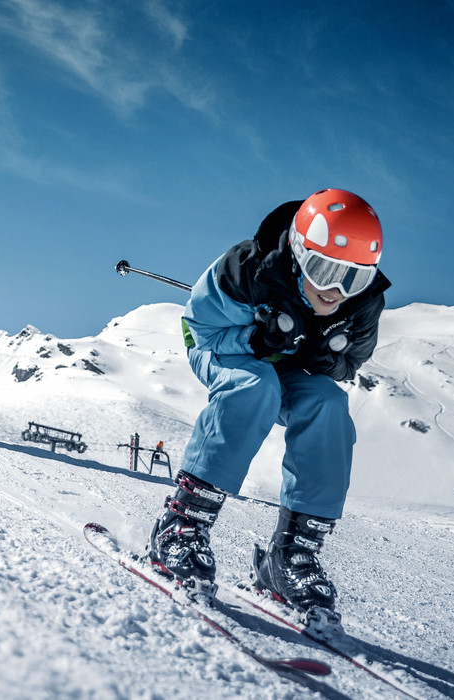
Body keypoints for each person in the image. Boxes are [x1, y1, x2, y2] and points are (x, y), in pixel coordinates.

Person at [146, 189, 390, 629]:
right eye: (324, 271)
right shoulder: (246, 269)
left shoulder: (363, 304)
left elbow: (349, 364)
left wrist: (321, 355)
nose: (335, 291)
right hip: (223, 349)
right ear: (298, 254)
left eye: (352, 279)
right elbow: (199, 330)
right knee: (254, 385)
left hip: (289, 364)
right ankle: (181, 524)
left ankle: (291, 555)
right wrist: (255, 338)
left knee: (328, 403)